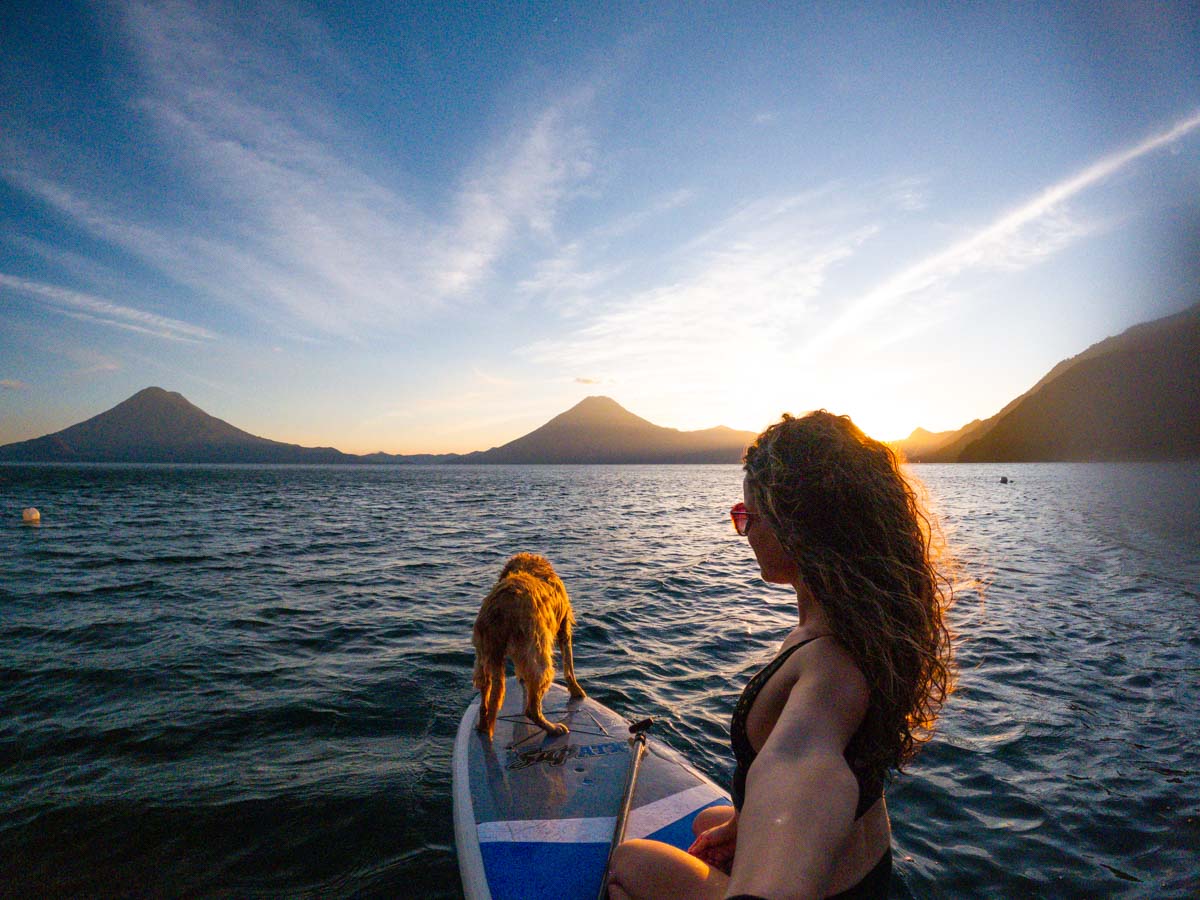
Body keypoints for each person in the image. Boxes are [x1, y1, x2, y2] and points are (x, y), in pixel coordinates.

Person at [606, 411, 955, 899]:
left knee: (627, 864)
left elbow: (804, 761)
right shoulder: (859, 625)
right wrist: (741, 826)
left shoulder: (829, 670)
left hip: (836, 893)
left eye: (749, 516)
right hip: (868, 868)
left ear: (797, 524)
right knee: (712, 818)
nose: (743, 531)